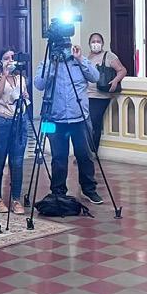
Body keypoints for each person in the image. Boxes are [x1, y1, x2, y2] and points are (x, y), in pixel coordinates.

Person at [34, 41, 102, 205]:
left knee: (85, 155)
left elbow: (95, 77)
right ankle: (58, 191)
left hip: (80, 118)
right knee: (58, 157)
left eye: (66, 46)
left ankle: (89, 189)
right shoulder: (47, 63)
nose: (64, 50)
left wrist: (80, 59)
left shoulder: (80, 61)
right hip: (55, 119)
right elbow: (39, 84)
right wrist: (52, 65)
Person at [0, 48, 29, 214]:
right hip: (0, 122)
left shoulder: (20, 78)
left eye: (13, 57)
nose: (10, 60)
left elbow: (24, 97)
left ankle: (16, 199)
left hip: (19, 121)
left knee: (17, 162)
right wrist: (4, 75)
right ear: (0, 61)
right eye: (6, 58)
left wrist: (24, 97)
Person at [85, 32, 127, 153]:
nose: (96, 44)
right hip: (86, 95)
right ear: (89, 44)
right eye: (93, 42)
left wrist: (115, 81)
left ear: (102, 43)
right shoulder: (87, 58)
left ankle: (93, 151)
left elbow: (122, 70)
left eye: (98, 41)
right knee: (85, 124)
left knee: (94, 122)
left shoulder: (109, 56)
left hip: (100, 96)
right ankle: (86, 152)